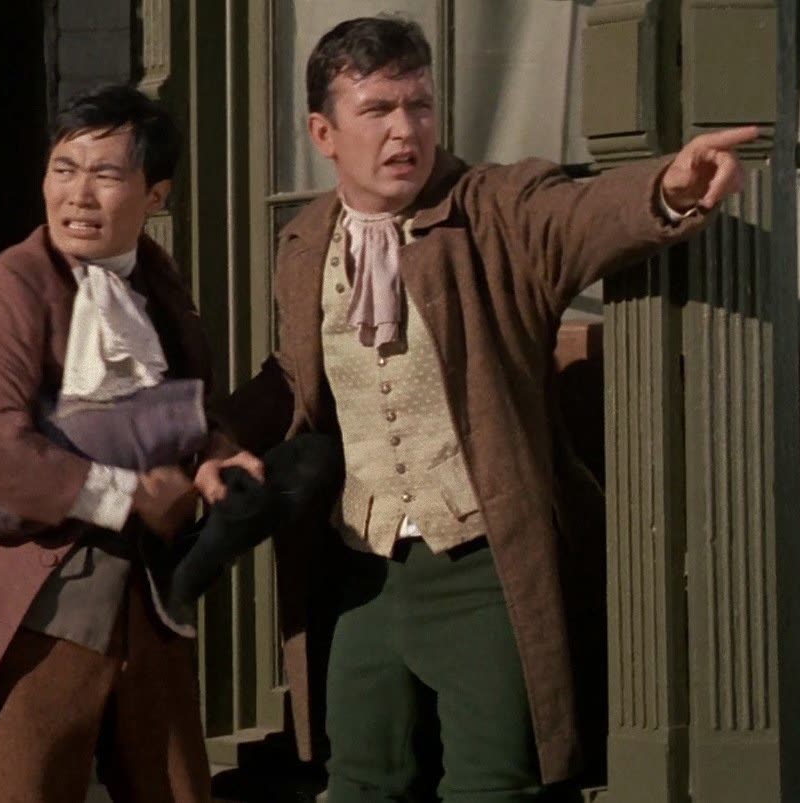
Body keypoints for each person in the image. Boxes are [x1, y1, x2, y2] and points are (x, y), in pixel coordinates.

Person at [196, 16, 757, 802]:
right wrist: (217, 434)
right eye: (378, 109)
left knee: (493, 786)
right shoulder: (305, 241)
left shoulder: (494, 210)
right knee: (358, 781)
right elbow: (296, 374)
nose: (405, 130)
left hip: (483, 565)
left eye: (420, 105)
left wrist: (669, 189)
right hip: (362, 570)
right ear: (324, 133)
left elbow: (581, 215)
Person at [0, 83, 214, 803]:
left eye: (105, 174)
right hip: (43, 598)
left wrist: (218, 449)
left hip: (150, 600)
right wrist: (126, 496)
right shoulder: (9, 287)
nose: (78, 195)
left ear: (156, 195)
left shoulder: (159, 282)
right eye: (63, 169)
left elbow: (182, 408)